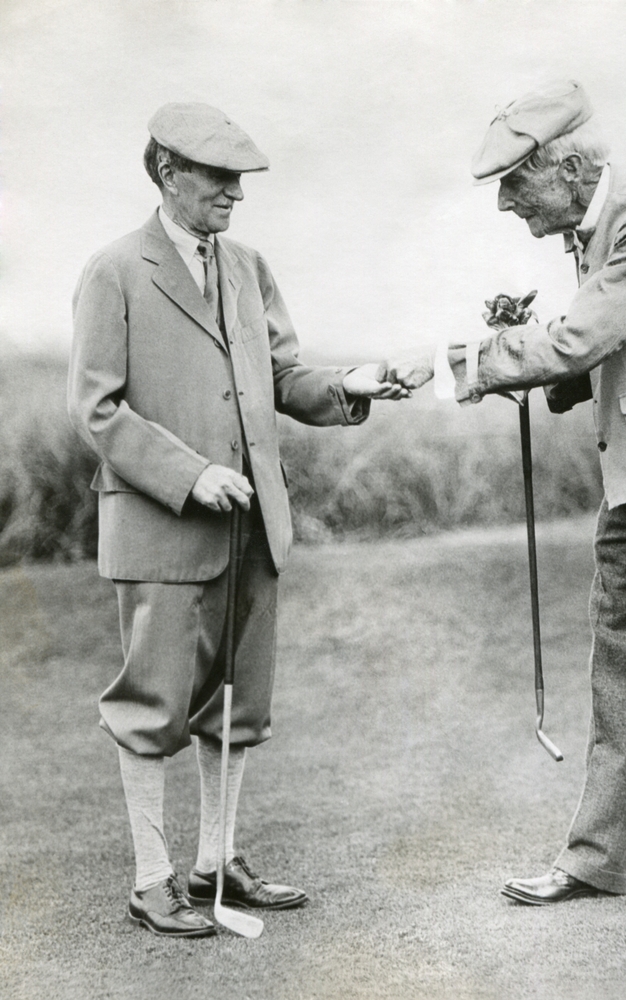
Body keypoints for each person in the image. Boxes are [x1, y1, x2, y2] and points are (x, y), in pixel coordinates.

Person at [381, 80, 626, 923]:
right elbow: (610, 344)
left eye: (514, 184)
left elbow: (586, 335)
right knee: (619, 680)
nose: (503, 204)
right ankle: (595, 859)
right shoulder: (593, 227)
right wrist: (550, 381)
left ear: (563, 167)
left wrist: (468, 360)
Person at [68, 102, 407, 938]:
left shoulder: (249, 267)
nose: (235, 195)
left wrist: (349, 385)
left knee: (237, 704)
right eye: (219, 178)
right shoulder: (113, 270)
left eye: (240, 179)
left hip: (253, 525)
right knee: (152, 704)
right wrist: (191, 476)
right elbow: (98, 412)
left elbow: (282, 375)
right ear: (167, 173)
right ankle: (153, 881)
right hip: (162, 530)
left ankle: (216, 863)